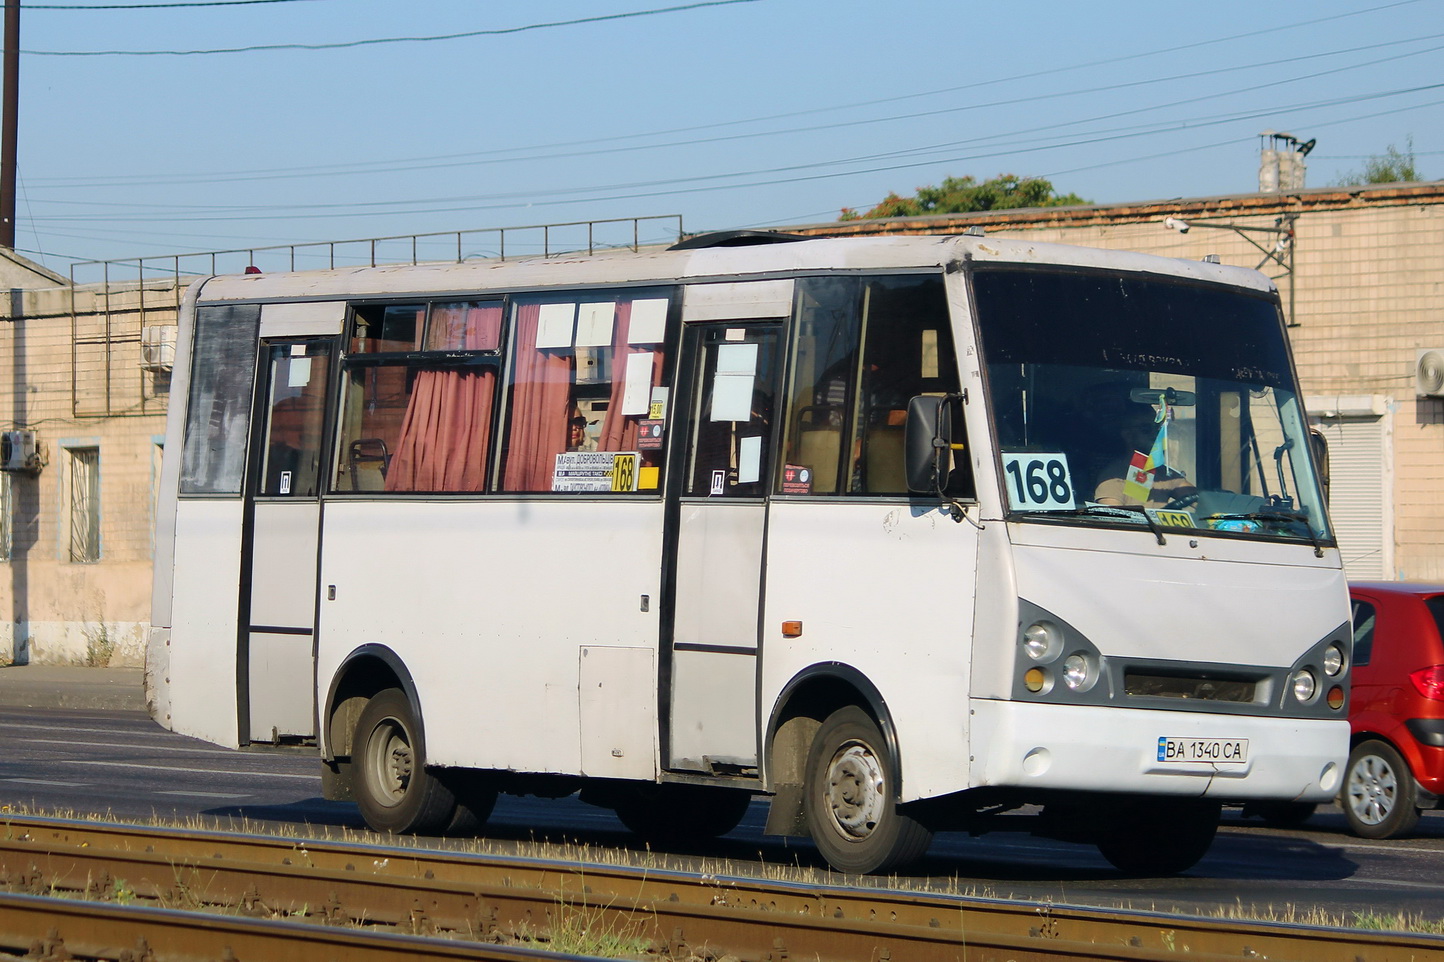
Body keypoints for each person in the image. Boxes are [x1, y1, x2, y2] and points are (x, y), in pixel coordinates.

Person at [1093, 402, 1195, 508]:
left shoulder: (1163, 474)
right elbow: (1112, 519)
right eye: (1146, 429)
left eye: (1157, 428)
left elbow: (1202, 502)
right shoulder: (1113, 477)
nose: (1154, 434)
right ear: (1128, 435)